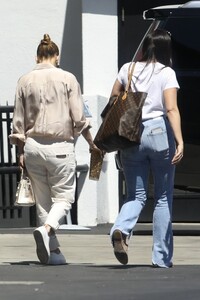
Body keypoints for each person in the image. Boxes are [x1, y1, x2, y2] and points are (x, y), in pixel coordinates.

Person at [10, 34, 101, 265]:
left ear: (37, 56)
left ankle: (55, 253)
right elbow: (79, 118)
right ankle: (48, 228)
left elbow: (18, 121)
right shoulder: (67, 78)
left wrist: (20, 152)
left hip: (32, 147)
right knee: (64, 198)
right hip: (60, 147)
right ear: (56, 56)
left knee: (43, 202)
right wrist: (91, 142)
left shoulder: (24, 80)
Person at [109, 29, 184, 268]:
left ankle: (121, 228)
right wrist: (180, 140)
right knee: (162, 197)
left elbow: (114, 99)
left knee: (136, 195)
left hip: (132, 134)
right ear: (165, 49)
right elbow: (171, 109)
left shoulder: (127, 68)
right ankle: (161, 258)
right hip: (159, 133)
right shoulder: (167, 73)